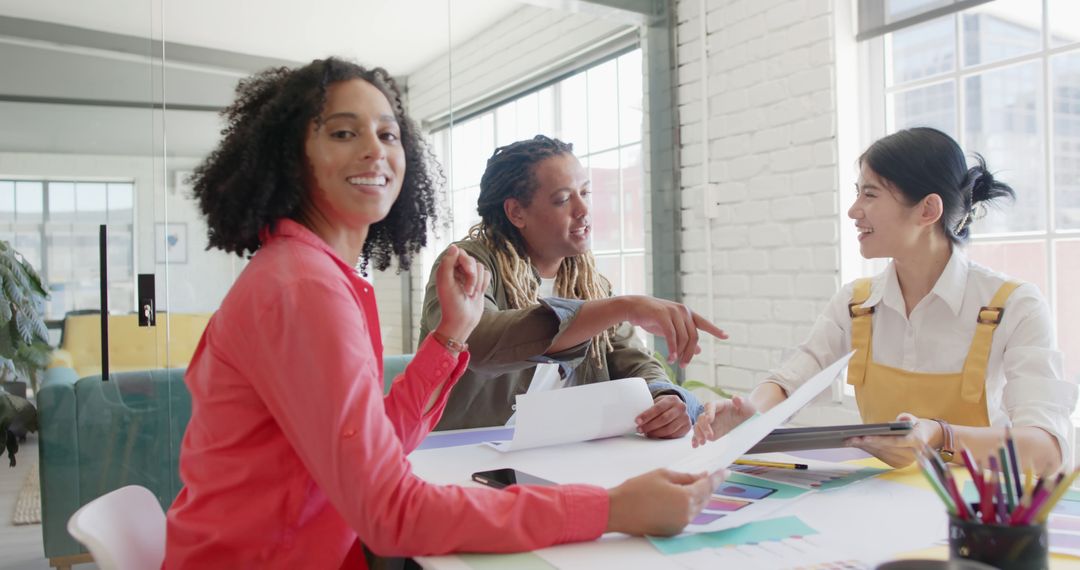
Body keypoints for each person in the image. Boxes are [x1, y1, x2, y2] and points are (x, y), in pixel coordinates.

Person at [164, 58, 719, 568]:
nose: (375, 150)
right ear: (290, 157)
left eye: (388, 134)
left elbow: (379, 439)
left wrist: (450, 336)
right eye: (343, 132)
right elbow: (391, 513)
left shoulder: (312, 274)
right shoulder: (303, 288)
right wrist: (610, 509)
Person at [693, 127, 1076, 474]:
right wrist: (749, 414)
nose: (853, 210)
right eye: (857, 192)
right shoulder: (856, 303)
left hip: (972, 511)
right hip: (879, 501)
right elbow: (792, 379)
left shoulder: (1014, 305)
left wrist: (938, 435)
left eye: (870, 194)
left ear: (928, 210)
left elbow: (1047, 451)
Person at [419, 135, 727, 438]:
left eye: (585, 192)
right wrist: (625, 307)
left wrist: (666, 398)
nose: (583, 210)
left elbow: (632, 361)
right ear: (516, 212)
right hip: (464, 451)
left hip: (564, 448)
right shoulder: (467, 264)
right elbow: (478, 341)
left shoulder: (588, 282)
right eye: (563, 199)